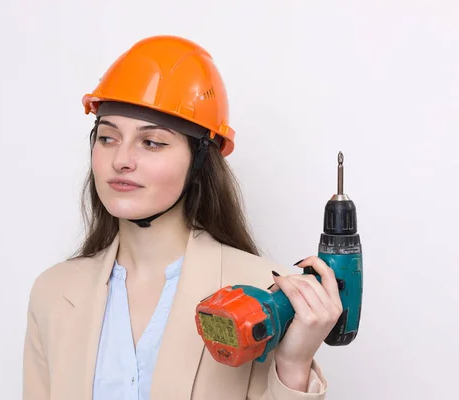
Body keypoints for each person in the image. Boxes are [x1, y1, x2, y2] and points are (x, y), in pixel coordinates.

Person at [22, 35, 342, 400]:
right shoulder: (53, 293)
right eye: (107, 137)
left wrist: (295, 367)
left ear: (200, 159)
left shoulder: (268, 294)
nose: (121, 160)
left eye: (152, 142)